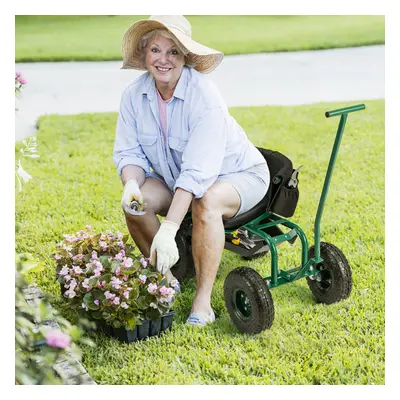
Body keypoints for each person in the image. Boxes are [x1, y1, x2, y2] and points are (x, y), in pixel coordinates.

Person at [114, 15, 270, 327]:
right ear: (144, 54)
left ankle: (202, 302)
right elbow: (129, 152)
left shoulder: (204, 97)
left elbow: (198, 174)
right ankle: (166, 281)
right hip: (177, 178)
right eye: (155, 50)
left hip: (240, 175)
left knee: (206, 202)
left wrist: (170, 228)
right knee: (136, 204)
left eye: (173, 51)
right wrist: (131, 183)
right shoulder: (134, 95)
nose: (163, 59)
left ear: (185, 57)